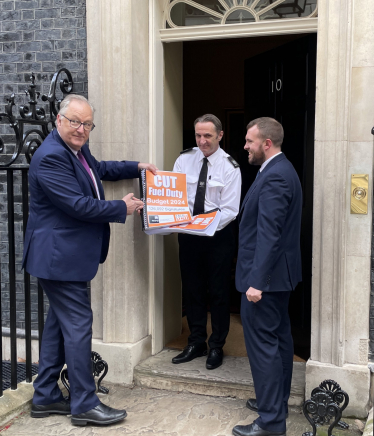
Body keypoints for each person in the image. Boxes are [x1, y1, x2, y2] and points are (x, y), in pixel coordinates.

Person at [22, 94, 157, 427]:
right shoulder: (52, 157)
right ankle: (83, 403)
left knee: (57, 326)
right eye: (75, 122)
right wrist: (120, 208)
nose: (81, 129)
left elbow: (99, 171)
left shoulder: (75, 151)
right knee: (80, 326)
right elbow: (78, 205)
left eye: (87, 124)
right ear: (59, 120)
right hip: (58, 260)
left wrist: (136, 167)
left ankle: (44, 396)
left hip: (65, 259)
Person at [232, 118, 302, 436]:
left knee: (264, 348)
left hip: (266, 280)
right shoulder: (280, 169)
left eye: (250, 141)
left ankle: (271, 421)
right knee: (280, 342)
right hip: (279, 278)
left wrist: (256, 281)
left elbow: (269, 234)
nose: (245, 146)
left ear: (267, 144)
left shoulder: (275, 177)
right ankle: (277, 403)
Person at [172, 114, 241, 370]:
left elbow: (230, 211)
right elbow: (175, 198)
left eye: (208, 136)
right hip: (189, 237)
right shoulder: (183, 159)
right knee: (192, 289)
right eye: (198, 135)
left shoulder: (230, 167)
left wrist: (204, 226)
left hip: (217, 238)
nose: (202, 141)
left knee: (219, 292)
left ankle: (216, 346)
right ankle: (196, 341)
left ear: (220, 135)